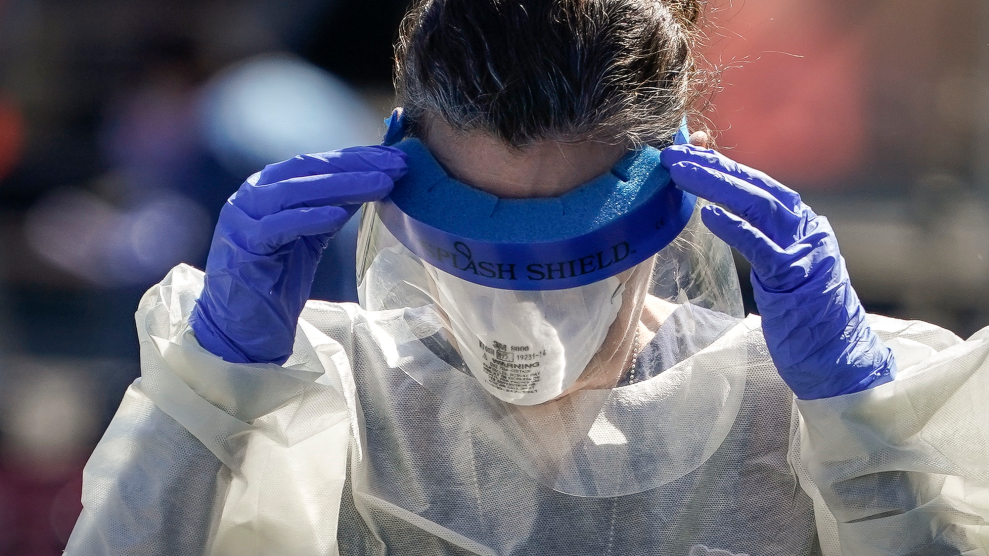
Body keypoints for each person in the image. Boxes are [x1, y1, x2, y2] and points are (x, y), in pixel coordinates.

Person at [66, 1, 989, 555]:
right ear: (409, 189)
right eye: (485, 257)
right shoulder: (325, 393)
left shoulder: (781, 408)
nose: (529, 314)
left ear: (676, 191)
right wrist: (212, 397)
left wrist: (868, 434)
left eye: (570, 261)